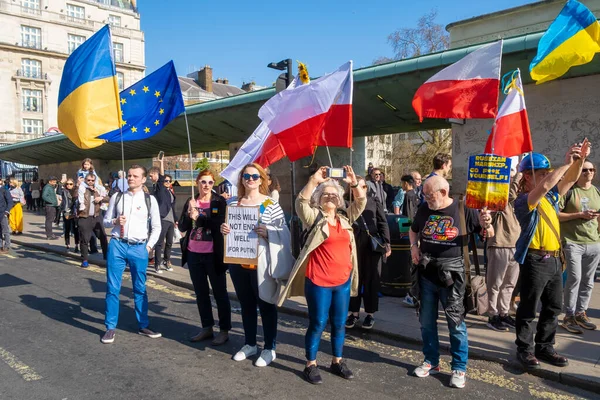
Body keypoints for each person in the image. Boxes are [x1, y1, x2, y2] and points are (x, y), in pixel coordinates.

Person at [279, 166, 366, 385]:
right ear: (319, 198)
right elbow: (300, 203)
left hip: (343, 281)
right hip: (318, 281)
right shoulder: (314, 218)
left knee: (338, 323)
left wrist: (353, 183)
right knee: (318, 322)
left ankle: (337, 361)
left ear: (340, 199)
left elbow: (361, 202)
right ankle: (310, 364)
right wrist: (313, 180)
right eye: (326, 193)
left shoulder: (345, 218)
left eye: (335, 194)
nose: (330, 196)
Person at [409, 175, 493, 389]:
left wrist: (487, 225)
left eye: (430, 196)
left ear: (444, 193)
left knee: (456, 324)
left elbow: (488, 234)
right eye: (425, 195)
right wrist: (414, 247)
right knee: (426, 323)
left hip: (453, 276)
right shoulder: (424, 209)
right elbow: (413, 229)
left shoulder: (464, 209)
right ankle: (431, 361)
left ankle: (459, 367)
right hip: (427, 274)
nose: (426, 199)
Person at [513, 142, 590, 370]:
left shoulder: (551, 198)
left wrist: (578, 161)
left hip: (555, 259)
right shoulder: (524, 201)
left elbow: (569, 180)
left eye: (548, 172)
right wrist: (565, 163)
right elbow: (546, 186)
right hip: (535, 260)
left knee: (553, 307)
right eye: (542, 173)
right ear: (528, 176)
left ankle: (544, 347)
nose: (548, 176)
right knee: (528, 309)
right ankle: (524, 350)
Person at [220, 163, 293, 368]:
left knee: (267, 305)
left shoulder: (270, 204)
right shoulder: (233, 203)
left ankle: (269, 348)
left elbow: (285, 233)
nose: (250, 179)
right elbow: (230, 229)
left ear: (261, 180)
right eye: (246, 176)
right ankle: (250, 343)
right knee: (246, 305)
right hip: (238, 262)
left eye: (254, 176)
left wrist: (269, 233)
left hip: (262, 263)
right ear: (241, 179)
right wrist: (224, 229)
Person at [101, 164, 162, 344]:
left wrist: (149, 247)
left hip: (139, 247)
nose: (130, 178)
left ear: (143, 179)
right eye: (129, 175)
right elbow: (105, 222)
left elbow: (157, 226)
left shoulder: (150, 200)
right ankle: (110, 327)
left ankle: (143, 325)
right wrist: (114, 220)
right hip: (118, 245)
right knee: (113, 288)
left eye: (135, 176)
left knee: (140, 289)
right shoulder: (117, 197)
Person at [178, 170, 231, 346]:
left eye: (209, 182)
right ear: (197, 183)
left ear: (213, 184)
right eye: (203, 182)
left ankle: (224, 330)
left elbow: (218, 226)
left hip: (213, 254)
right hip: (194, 253)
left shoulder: (219, 202)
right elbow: (184, 227)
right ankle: (207, 327)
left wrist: (200, 217)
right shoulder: (191, 201)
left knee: (220, 293)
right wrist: (188, 213)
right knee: (201, 293)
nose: (206, 185)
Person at [558, 160, 600, 334]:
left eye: (591, 170)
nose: (588, 172)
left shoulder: (596, 191)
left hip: (593, 242)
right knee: (574, 278)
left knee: (588, 281)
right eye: (584, 170)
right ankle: (568, 315)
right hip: (573, 242)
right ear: (578, 172)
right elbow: (556, 215)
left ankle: (581, 313)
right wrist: (579, 215)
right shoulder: (569, 191)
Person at [346, 176, 391, 330]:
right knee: (354, 279)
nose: (359, 190)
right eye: (355, 187)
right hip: (352, 245)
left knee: (372, 279)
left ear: (366, 188)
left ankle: (370, 314)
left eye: (363, 187)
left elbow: (382, 222)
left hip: (372, 245)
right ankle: (354, 313)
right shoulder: (346, 203)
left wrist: (387, 243)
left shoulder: (374, 201)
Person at [486, 170, 521, 332]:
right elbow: (511, 192)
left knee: (509, 284)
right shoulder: (498, 199)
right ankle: (492, 314)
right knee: (495, 283)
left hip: (516, 246)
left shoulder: (520, 201)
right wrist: (518, 173)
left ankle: (503, 313)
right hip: (499, 245)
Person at [148, 155, 174, 274]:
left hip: (171, 220)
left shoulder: (169, 192)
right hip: (162, 218)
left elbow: (172, 207)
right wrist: (161, 162)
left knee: (169, 243)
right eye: (165, 181)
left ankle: (166, 261)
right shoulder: (159, 187)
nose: (150, 177)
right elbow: (161, 177)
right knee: (160, 243)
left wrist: (176, 220)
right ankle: (157, 264)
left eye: (151, 175)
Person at [78, 173, 109, 267]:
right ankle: (84, 260)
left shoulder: (99, 189)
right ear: (85, 180)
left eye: (92, 180)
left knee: (103, 237)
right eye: (88, 180)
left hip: (97, 216)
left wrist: (101, 198)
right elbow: (74, 195)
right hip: (84, 216)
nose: (90, 182)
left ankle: (106, 256)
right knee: (84, 239)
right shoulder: (81, 189)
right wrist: (76, 184)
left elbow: (108, 198)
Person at [61, 178, 79, 253]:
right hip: (67, 211)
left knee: (76, 229)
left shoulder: (77, 191)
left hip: (74, 211)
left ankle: (76, 245)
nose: (69, 185)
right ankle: (67, 244)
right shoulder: (64, 191)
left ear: (73, 184)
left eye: (70, 184)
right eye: (67, 184)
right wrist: (60, 183)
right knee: (67, 228)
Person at [0, 183, 14, 253]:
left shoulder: (4, 190)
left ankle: (7, 246)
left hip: (3, 213)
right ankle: (0, 246)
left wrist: (6, 212)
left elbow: (10, 202)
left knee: (5, 231)